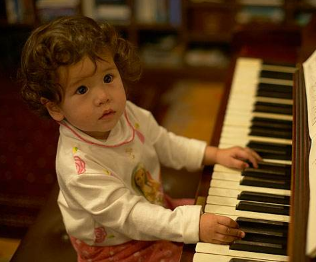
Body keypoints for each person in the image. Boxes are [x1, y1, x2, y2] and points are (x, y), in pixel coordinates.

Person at [18, 16, 262, 262]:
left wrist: (212, 154)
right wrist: (194, 226)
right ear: (55, 107)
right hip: (117, 244)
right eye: (82, 90)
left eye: (107, 78)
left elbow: (163, 142)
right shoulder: (79, 170)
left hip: (151, 207)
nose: (103, 96)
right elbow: (131, 216)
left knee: (224, 211)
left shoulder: (124, 113)